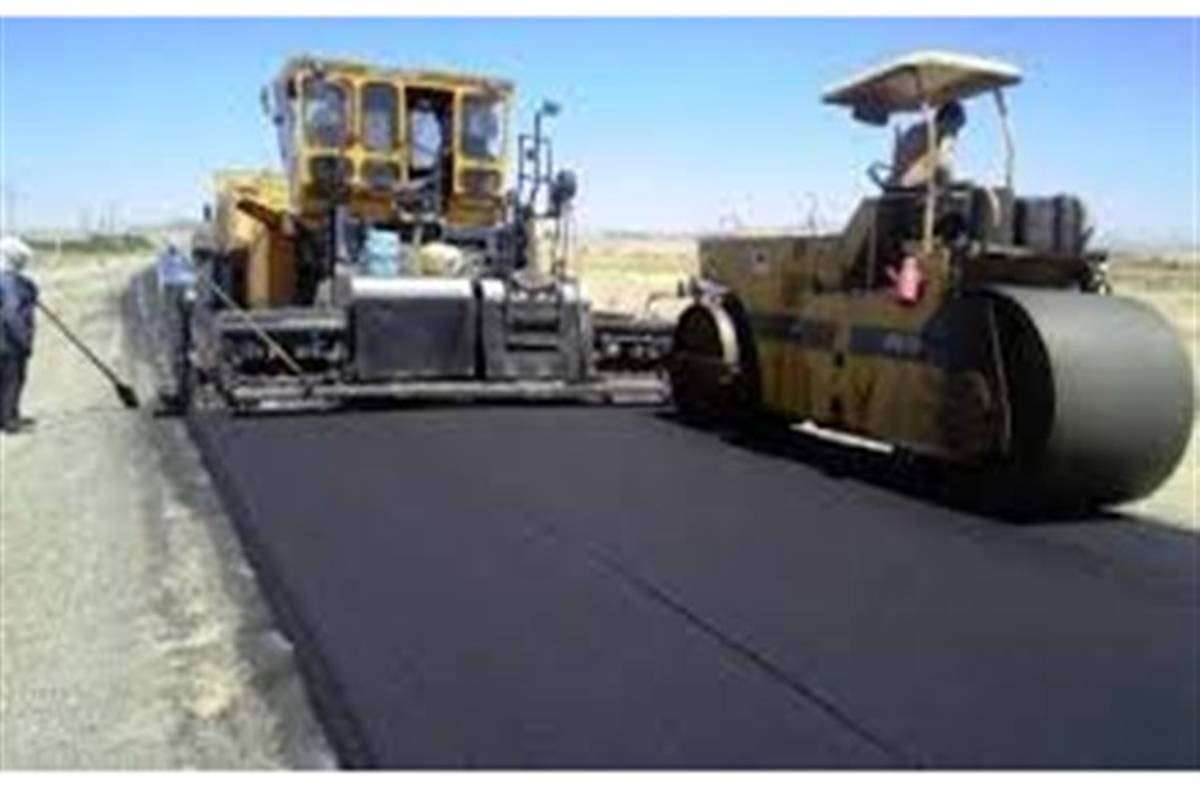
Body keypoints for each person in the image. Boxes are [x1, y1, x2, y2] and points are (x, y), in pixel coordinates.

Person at [0, 236, 39, 434]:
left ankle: (7, 416)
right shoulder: (10, 283)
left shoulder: (10, 281)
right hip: (9, 342)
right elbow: (11, 314)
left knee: (7, 380)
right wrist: (23, 339)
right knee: (12, 380)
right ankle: (10, 420)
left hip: (6, 340)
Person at [889, 100, 967, 188]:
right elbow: (906, 161)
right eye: (955, 126)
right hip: (905, 183)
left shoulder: (939, 137)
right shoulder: (923, 132)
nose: (956, 132)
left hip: (915, 180)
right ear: (946, 119)